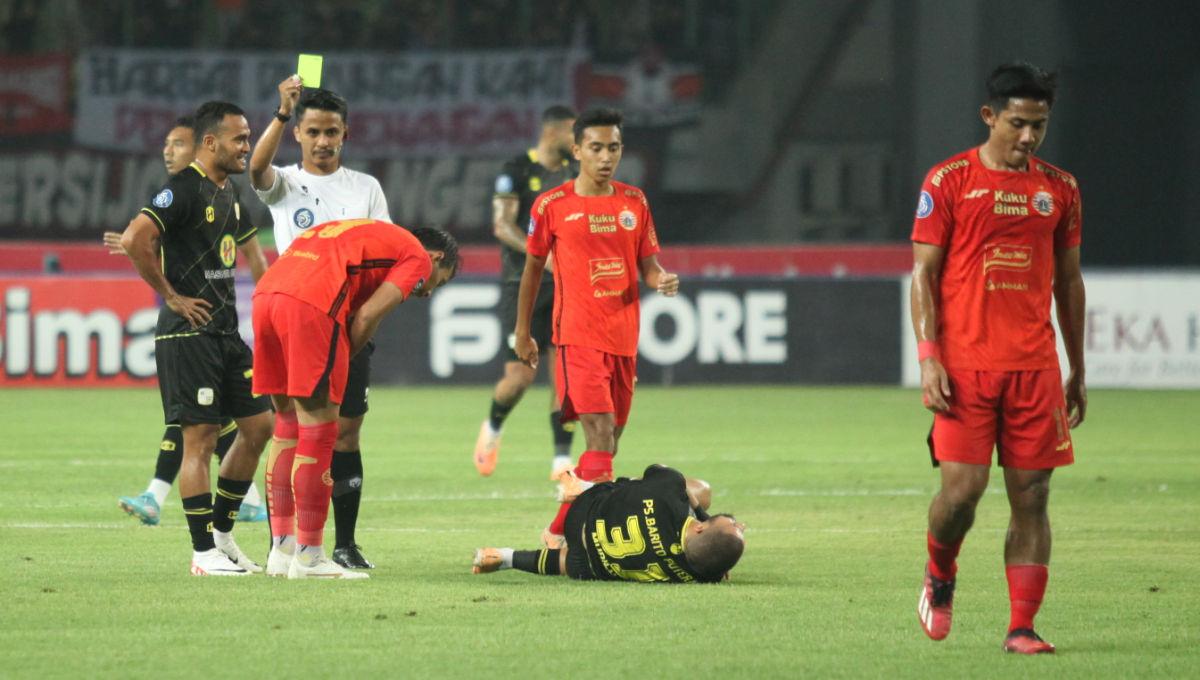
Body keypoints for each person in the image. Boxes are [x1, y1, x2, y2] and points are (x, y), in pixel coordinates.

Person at [910, 62, 1086, 654]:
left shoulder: (1059, 188)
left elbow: (1069, 282)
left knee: (1032, 496)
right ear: (990, 116)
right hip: (965, 367)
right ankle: (941, 570)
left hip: (1034, 368)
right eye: (1018, 123)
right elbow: (923, 274)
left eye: (1039, 125)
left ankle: (1022, 626)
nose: (1029, 137)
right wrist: (929, 358)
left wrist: (1078, 366)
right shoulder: (950, 180)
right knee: (961, 496)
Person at [251, 218, 459, 580]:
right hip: (310, 301)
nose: (430, 290)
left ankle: (281, 550)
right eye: (444, 278)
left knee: (286, 426)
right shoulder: (417, 256)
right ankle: (310, 557)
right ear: (438, 257)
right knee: (320, 428)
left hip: (267, 296)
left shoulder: (363, 231)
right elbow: (366, 315)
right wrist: (340, 364)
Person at [119, 101, 275, 576]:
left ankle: (223, 537)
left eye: (248, 138)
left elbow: (249, 256)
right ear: (211, 143)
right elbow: (134, 240)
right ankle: (202, 552)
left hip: (226, 332)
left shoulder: (230, 193)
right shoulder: (182, 190)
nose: (246, 147)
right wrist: (171, 296)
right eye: (239, 139)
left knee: (260, 426)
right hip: (188, 335)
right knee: (201, 441)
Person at [514, 107, 679, 548]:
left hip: (623, 339)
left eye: (614, 148)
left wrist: (660, 279)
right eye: (596, 148)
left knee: (609, 445)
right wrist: (523, 332)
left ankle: (555, 533)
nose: (606, 157)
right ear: (577, 150)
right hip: (576, 337)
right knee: (600, 434)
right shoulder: (552, 205)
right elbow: (532, 271)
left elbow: (648, 265)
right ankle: (590, 540)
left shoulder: (634, 201)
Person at [249, 76, 390, 570]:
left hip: (350, 326)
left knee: (345, 435)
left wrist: (364, 324)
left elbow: (384, 255)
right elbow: (256, 169)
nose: (323, 141)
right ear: (299, 135)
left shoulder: (366, 189)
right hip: (301, 325)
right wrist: (282, 109)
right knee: (291, 428)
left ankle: (343, 543)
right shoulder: (286, 182)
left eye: (332, 132)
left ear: (345, 135)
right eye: (313, 132)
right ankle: (284, 544)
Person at [473, 105, 578, 477]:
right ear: (553, 132)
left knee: (566, 376)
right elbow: (502, 226)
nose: (577, 141)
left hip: (569, 287)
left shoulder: (576, 172)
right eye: (572, 133)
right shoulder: (516, 169)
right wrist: (544, 256)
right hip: (523, 283)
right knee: (520, 378)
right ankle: (494, 426)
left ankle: (562, 461)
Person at [472, 464, 745, 583]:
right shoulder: (697, 576)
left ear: (700, 526)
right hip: (587, 557)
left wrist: (700, 511)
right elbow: (712, 566)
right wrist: (717, 561)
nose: (740, 525)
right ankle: (504, 557)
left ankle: (582, 486)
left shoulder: (669, 492)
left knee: (700, 490)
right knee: (583, 563)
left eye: (732, 524)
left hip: (586, 507)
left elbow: (658, 471)